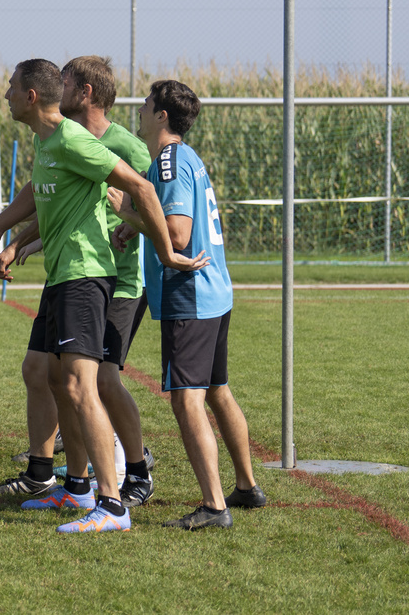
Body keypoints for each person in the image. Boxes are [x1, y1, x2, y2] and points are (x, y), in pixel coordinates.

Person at [0, 59, 203, 534]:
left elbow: (141, 186)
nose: (7, 93)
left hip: (88, 276)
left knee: (85, 384)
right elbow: (42, 192)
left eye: (12, 87)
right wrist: (3, 232)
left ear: (32, 96)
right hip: (61, 276)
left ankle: (114, 503)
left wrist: (167, 253)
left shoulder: (78, 139)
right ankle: (76, 487)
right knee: (53, 377)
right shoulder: (49, 139)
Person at [112, 79, 265, 530]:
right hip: (213, 291)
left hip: (190, 295)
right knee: (217, 390)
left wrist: (125, 212)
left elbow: (177, 235)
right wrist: (136, 226)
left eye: (145, 103)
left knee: (187, 401)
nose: (138, 109)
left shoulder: (168, 160)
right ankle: (246, 487)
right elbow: (166, 222)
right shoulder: (187, 157)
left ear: (161, 115)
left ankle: (215, 506)